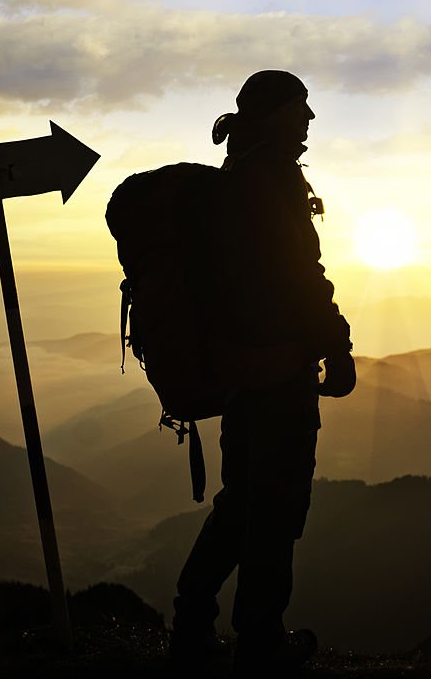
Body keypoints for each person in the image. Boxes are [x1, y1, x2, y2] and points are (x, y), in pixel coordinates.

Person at [170, 70, 355, 677]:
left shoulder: (235, 177)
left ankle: (192, 619)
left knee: (241, 503)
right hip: (279, 373)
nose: (308, 119)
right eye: (300, 107)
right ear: (275, 113)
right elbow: (302, 277)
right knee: (276, 509)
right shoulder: (269, 181)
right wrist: (338, 345)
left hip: (242, 371)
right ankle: (259, 641)